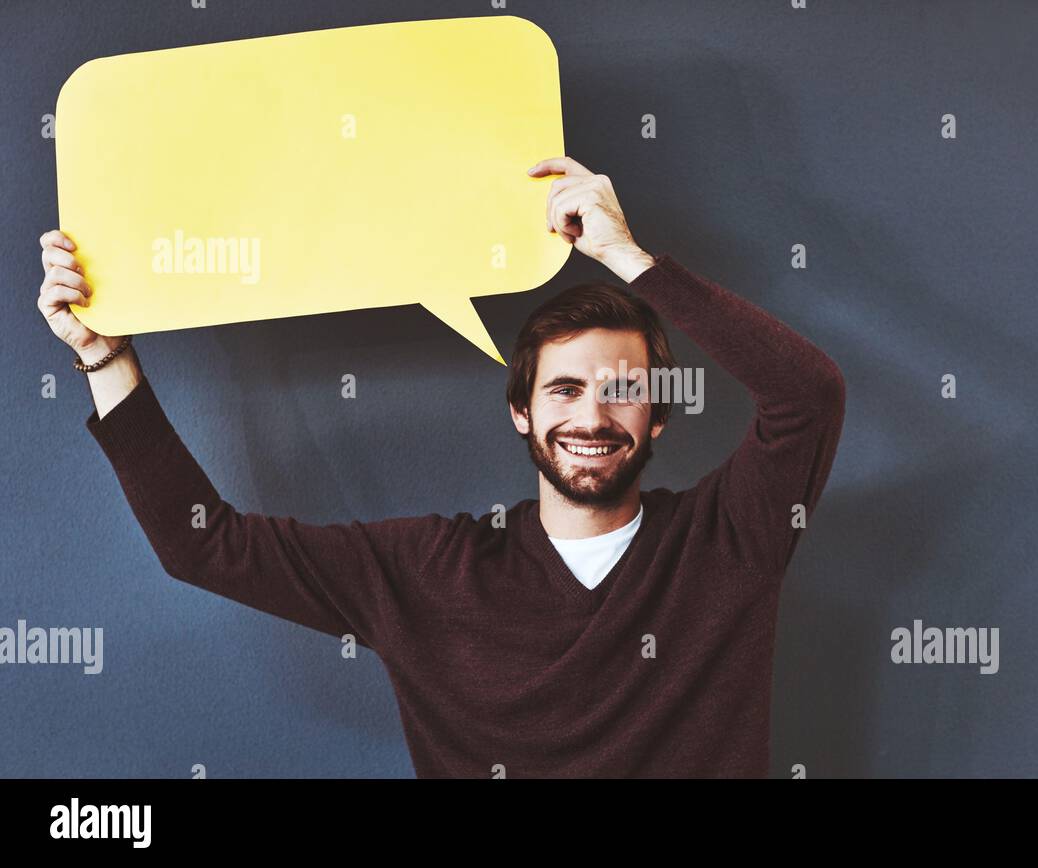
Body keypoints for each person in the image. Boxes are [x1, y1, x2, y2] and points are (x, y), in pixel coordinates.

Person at [37, 156, 846, 778]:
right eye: (563, 390)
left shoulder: (733, 538)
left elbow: (809, 394)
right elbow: (203, 546)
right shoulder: (430, 570)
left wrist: (626, 256)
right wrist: (108, 363)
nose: (592, 417)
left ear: (660, 415)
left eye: (623, 391)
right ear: (521, 413)